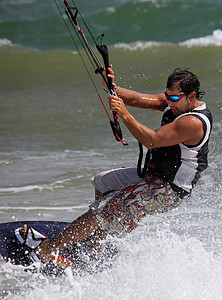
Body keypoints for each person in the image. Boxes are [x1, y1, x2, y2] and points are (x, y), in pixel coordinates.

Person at [35, 67, 212, 263]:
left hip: (168, 190)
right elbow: (136, 99)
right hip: (154, 176)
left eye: (174, 98)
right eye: (167, 96)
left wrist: (124, 113)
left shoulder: (194, 122)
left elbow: (152, 140)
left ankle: (50, 249)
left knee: (101, 210)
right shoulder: (175, 102)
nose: (169, 102)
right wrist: (110, 86)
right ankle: (96, 245)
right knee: (102, 182)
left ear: (192, 96)